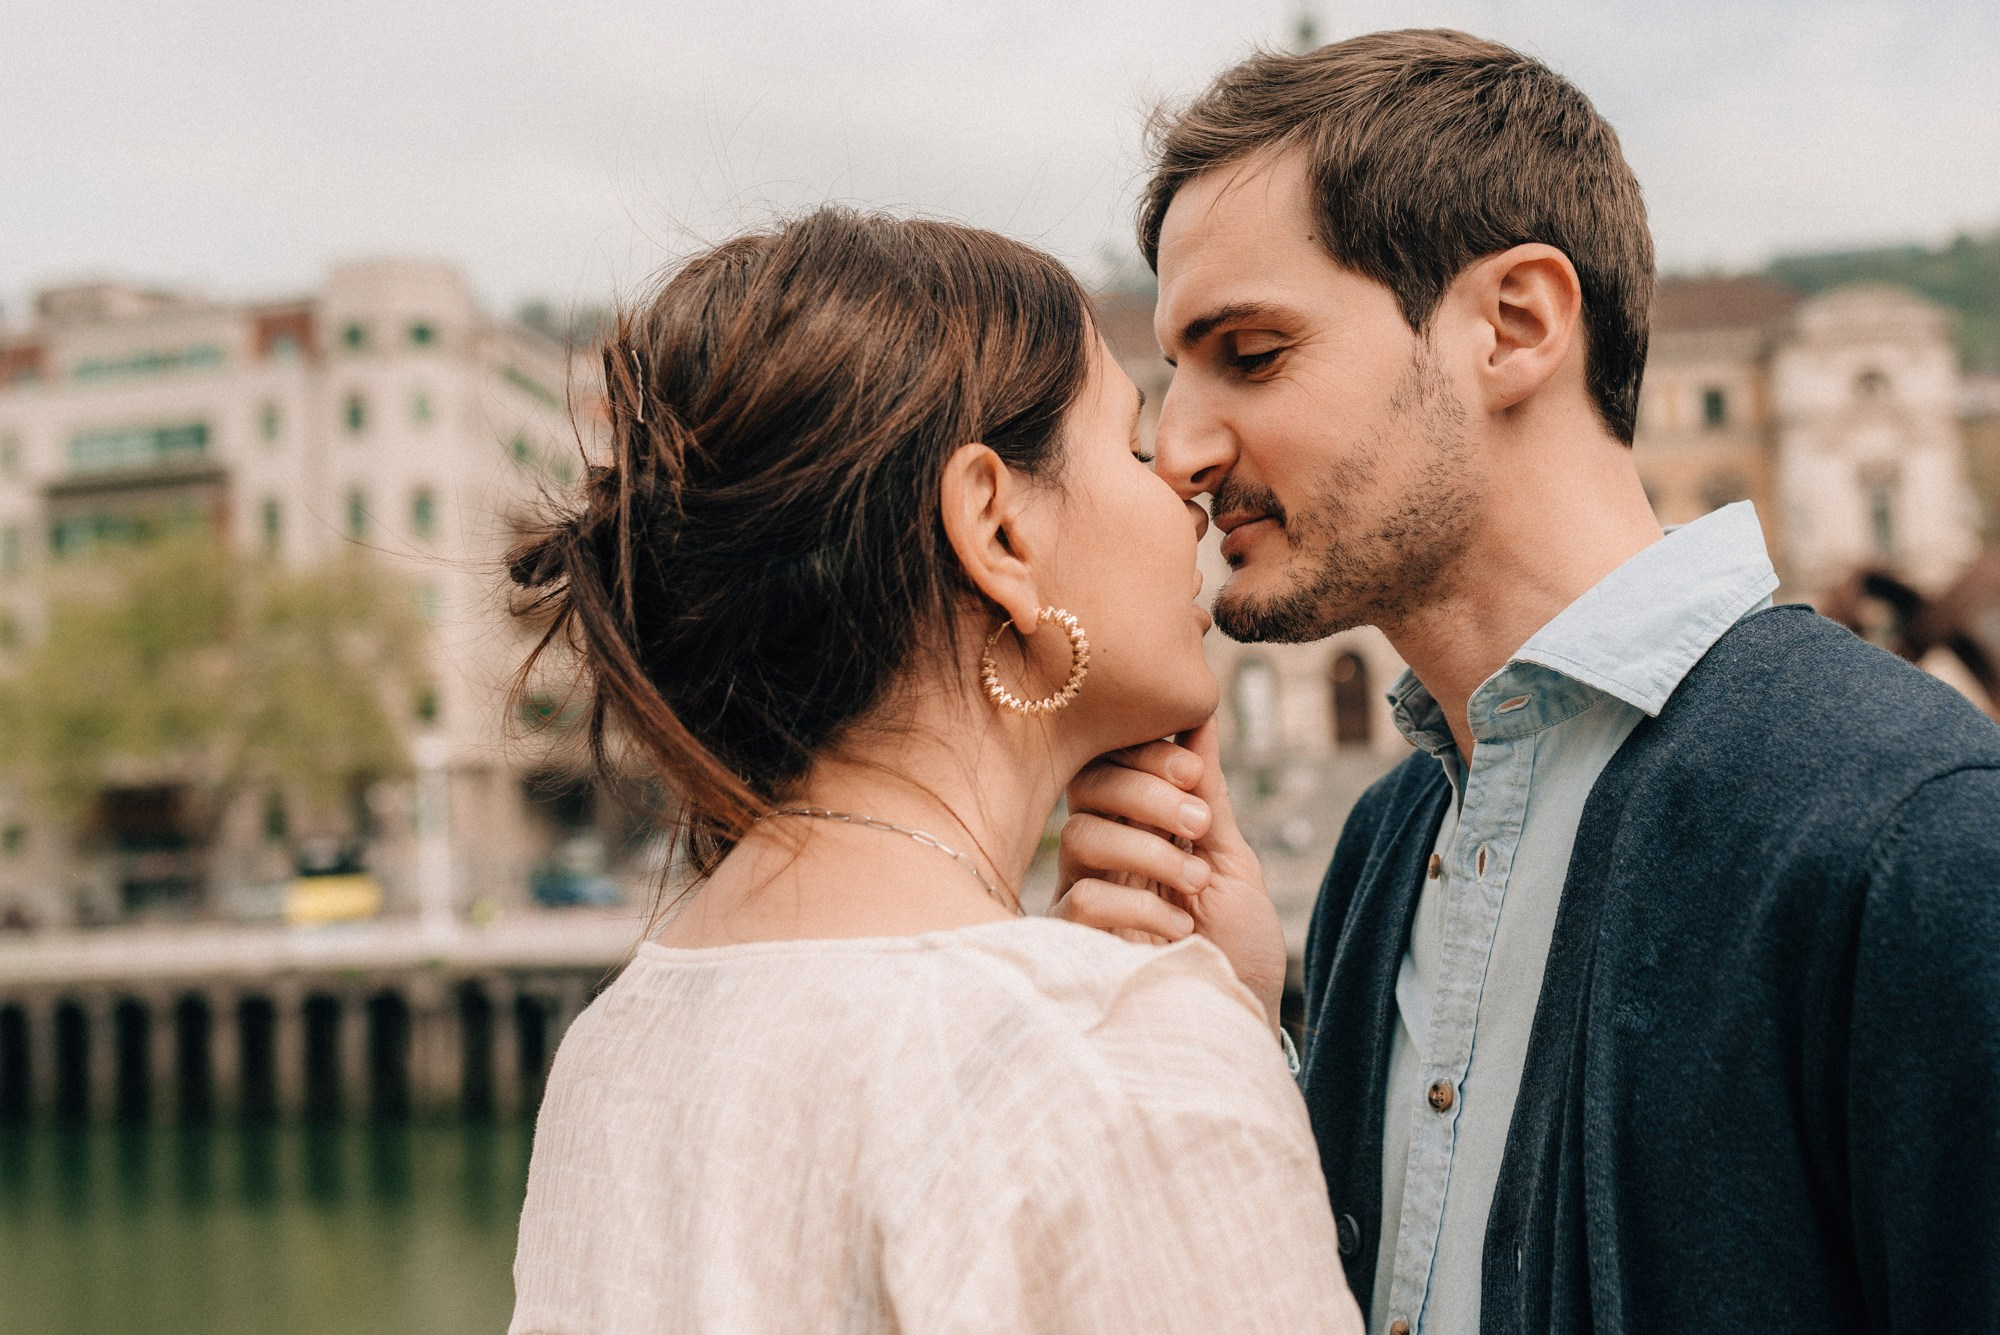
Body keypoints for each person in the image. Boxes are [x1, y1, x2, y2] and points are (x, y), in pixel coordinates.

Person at [1055, 28, 2000, 1335]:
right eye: (1176, 375)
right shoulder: (1390, 837)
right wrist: (1243, 1029)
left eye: (1252, 353)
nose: (1180, 449)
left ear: (1516, 325)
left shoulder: (1915, 825)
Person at [505, 208, 1365, 1334]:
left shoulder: (620, 1041)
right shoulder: (1112, 1061)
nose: (1187, 496)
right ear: (996, 531)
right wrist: (1217, 1045)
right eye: (1130, 444)